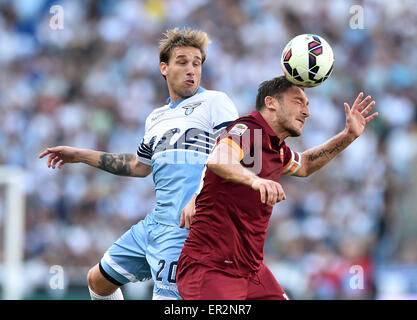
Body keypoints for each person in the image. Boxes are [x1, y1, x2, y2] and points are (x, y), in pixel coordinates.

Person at [38, 27, 239, 300]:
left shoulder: (215, 102)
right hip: (154, 225)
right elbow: (137, 165)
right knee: (97, 281)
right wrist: (80, 155)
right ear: (164, 68)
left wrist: (199, 196)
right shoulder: (156, 118)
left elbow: (234, 153)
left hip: (187, 229)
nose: (192, 69)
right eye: (182, 62)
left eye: (197, 63)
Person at [176, 76, 378, 300]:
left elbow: (305, 165)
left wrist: (348, 135)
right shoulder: (248, 130)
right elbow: (219, 160)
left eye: (308, 105)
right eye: (298, 102)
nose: (306, 112)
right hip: (211, 268)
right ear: (271, 103)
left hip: (250, 271)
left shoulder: (276, 149)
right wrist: (255, 180)